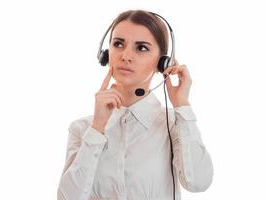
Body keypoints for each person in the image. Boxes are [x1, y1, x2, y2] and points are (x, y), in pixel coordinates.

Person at [57, 9, 213, 200]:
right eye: (118, 44)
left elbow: (198, 183)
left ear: (163, 62)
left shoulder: (174, 125)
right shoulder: (83, 129)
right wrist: (97, 129)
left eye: (142, 48)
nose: (126, 56)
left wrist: (182, 104)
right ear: (106, 54)